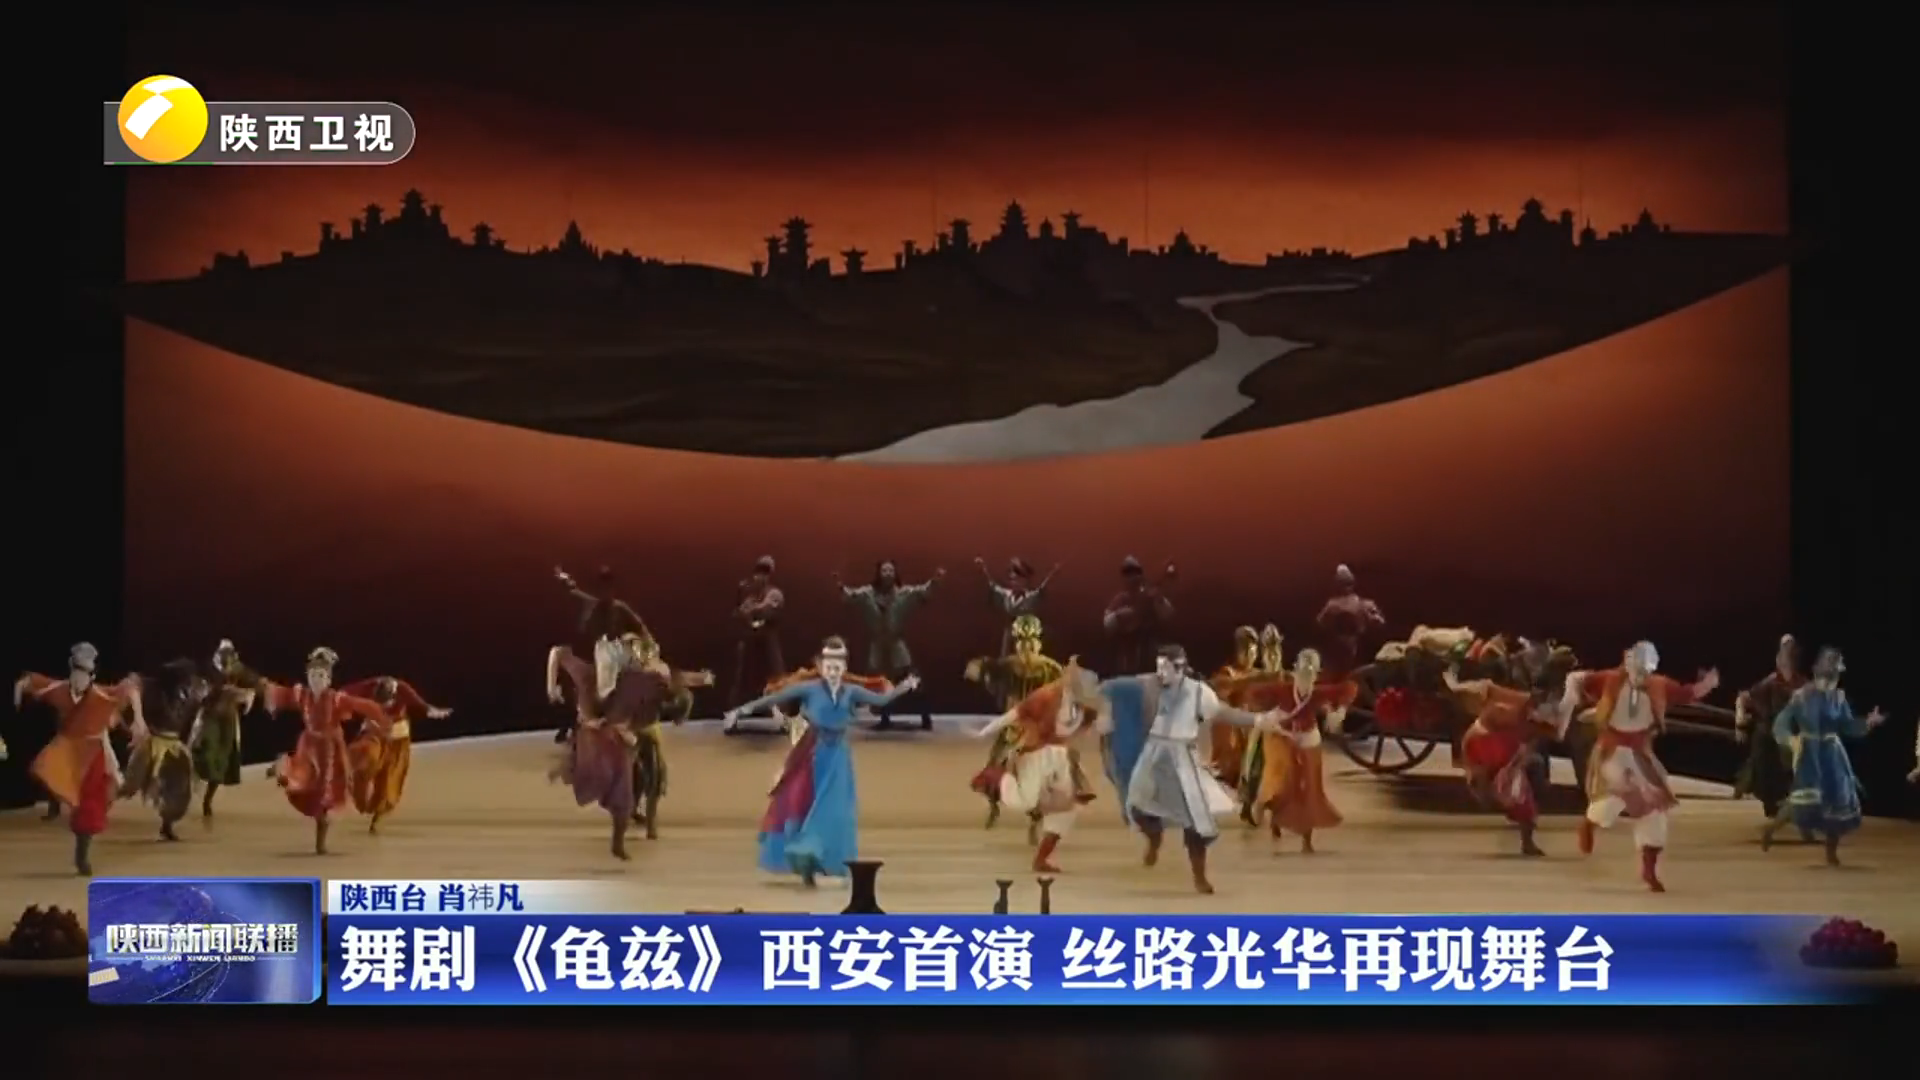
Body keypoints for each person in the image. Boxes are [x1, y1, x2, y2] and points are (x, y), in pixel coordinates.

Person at [726, 637, 918, 886]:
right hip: (814, 755)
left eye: (838, 664)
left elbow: (881, 700)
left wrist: (904, 687)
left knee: (835, 810)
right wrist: (742, 710)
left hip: (839, 758)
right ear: (821, 665)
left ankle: (825, 860)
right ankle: (806, 858)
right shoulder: (810, 689)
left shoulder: (851, 691)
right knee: (808, 805)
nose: (833, 669)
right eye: (829, 663)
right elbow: (774, 698)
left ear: (844, 665)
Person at [1096, 644, 1282, 894]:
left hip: (1182, 758)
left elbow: (1222, 712)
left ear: (1180, 668)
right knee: (1138, 808)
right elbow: (1111, 688)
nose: (1160, 673)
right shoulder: (1149, 684)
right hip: (1153, 754)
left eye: (1165, 668)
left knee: (1195, 821)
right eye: (1158, 667)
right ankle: (1154, 838)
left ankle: (1199, 876)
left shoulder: (1197, 692)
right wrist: (1105, 711)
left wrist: (1258, 720)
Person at [1561, 641, 1719, 893]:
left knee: (1655, 808)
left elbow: (1686, 693)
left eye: (1645, 670)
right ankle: (1589, 824)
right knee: (1617, 795)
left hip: (1640, 754)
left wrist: (1706, 685)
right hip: (1612, 750)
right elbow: (1579, 681)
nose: (1640, 674)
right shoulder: (1609, 679)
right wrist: (1573, 696)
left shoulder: (1659, 685)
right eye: (1636, 667)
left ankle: (1649, 869)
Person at [14, 644, 142, 875]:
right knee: (57, 781)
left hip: (93, 753)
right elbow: (30, 681)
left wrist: (139, 720)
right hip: (66, 751)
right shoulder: (60, 690)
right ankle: (61, 807)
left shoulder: (101, 694)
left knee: (90, 805)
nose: (79, 678)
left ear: (92, 676)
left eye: (84, 674)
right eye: (76, 672)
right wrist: (18, 691)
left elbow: (130, 689)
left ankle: (82, 854)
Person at [971, 659, 1106, 873]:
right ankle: (996, 777)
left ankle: (1042, 859)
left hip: (1063, 757)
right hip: (1038, 753)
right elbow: (1016, 714)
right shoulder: (1047, 695)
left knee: (1066, 807)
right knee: (1025, 800)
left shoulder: (1087, 705)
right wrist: (984, 731)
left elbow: (1097, 725)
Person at [1761, 647, 1886, 864]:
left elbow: (1847, 726)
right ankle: (1771, 829)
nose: (1832, 679)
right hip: (1810, 754)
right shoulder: (1802, 696)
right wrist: (1790, 740)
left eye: (1835, 674)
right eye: (1829, 674)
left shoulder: (1838, 698)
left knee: (1837, 800)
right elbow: (1781, 722)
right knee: (1803, 799)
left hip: (1832, 754)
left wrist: (1867, 723)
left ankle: (1831, 852)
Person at [259, 648, 389, 855]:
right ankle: (283, 769)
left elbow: (361, 705)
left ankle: (320, 842)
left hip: (329, 750)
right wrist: (265, 688)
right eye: (312, 675)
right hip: (309, 746)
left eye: (320, 676)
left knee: (324, 796)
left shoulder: (335, 698)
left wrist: (380, 718)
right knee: (303, 779)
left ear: (328, 679)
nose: (316, 680)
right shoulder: (302, 695)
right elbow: (282, 694)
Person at [1443, 642, 1566, 857]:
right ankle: (1491, 791)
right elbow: (1485, 691)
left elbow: (1549, 733)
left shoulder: (1542, 712)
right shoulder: (1508, 703)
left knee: (1524, 795)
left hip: (1506, 747)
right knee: (1514, 787)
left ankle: (1526, 838)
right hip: (1487, 742)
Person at [1242, 647, 1360, 853]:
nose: (1306, 677)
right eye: (1303, 672)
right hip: (1285, 738)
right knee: (1284, 784)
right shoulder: (1283, 690)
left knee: (1309, 789)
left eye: (1311, 673)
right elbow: (1253, 692)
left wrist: (1340, 710)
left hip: (1308, 740)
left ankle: (1306, 839)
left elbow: (1350, 687)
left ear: (1316, 675)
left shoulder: (1317, 693)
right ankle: (1273, 816)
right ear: (1295, 671)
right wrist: (1264, 716)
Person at [964, 614, 1066, 837]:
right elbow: (983, 672)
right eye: (1023, 641)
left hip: (1031, 730)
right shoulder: (1013, 665)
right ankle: (1000, 807)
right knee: (998, 768)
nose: (1027, 647)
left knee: (1034, 776)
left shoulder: (1047, 668)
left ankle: (1032, 816)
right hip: (1019, 728)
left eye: (1030, 641)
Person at [836, 560, 943, 731]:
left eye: (890, 570)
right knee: (881, 684)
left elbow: (922, 592)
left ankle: (925, 717)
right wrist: (840, 586)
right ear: (878, 574)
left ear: (895, 574)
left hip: (896, 644)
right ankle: (885, 718)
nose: (887, 573)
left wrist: (935, 580)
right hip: (878, 644)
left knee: (912, 682)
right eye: (884, 570)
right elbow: (850, 596)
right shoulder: (867, 594)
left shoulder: (903, 594)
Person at [336, 675, 451, 834]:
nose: (383, 708)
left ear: (394, 696)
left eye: (386, 704)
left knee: (389, 780)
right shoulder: (369, 686)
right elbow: (344, 693)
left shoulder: (403, 689)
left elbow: (422, 706)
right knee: (366, 758)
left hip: (397, 738)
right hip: (374, 733)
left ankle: (377, 819)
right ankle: (353, 786)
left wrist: (434, 712)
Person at [552, 565, 648, 742]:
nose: (605, 593)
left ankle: (625, 723)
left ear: (613, 589)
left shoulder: (619, 608)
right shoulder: (593, 605)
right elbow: (573, 591)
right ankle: (573, 724)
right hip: (593, 659)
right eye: (602, 589)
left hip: (614, 661)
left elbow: (641, 627)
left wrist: (647, 646)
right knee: (582, 688)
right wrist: (564, 578)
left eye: (608, 588)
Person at [122, 658, 207, 842]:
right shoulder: (155, 689)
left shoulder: (191, 693)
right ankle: (96, 807)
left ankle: (167, 824)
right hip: (154, 743)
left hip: (175, 745)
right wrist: (138, 718)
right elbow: (131, 683)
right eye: (185, 678)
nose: (188, 682)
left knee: (180, 786)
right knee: (130, 784)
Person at [1734, 634, 1806, 824]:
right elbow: (1743, 698)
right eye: (1785, 651)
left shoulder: (1802, 685)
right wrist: (1740, 721)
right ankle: (1768, 798)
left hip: (1790, 736)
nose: (1789, 656)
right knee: (1765, 756)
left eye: (1792, 651)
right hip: (1769, 733)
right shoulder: (1771, 682)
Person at [194, 639, 263, 819]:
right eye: (223, 654)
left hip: (228, 719)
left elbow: (256, 682)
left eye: (230, 655)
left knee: (222, 761)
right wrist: (237, 693)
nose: (226, 660)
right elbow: (209, 691)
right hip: (210, 717)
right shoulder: (208, 670)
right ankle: (192, 782)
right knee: (206, 752)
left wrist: (252, 692)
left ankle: (208, 800)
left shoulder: (237, 668)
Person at [727, 556, 787, 722]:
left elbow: (765, 610)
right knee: (743, 682)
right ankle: (735, 714)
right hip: (751, 645)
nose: (760, 577)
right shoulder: (750, 597)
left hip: (768, 644)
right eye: (758, 573)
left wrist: (750, 611)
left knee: (775, 681)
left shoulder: (774, 594)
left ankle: (781, 715)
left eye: (764, 573)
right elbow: (740, 614)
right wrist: (743, 608)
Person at [1207, 627, 1262, 790]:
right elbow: (1222, 688)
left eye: (1252, 651)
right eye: (1245, 650)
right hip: (1237, 733)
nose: (1249, 655)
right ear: (1237, 651)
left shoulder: (1259, 674)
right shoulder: (1228, 673)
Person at [1102, 557, 1176, 675]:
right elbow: (1107, 625)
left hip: (1150, 653)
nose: (1132, 578)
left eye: (1135, 573)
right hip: (1127, 657)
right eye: (1129, 574)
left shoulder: (1149, 595)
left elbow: (1168, 615)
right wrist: (1120, 615)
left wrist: (1159, 599)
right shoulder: (1120, 599)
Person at [974, 556, 1059, 657]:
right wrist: (983, 568)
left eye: (1017, 580)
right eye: (1012, 579)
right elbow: (992, 585)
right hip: (1009, 636)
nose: (1014, 583)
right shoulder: (1006, 595)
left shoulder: (1030, 597)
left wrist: (1053, 573)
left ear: (1025, 581)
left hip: (1026, 637)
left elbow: (1042, 588)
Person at [1314, 564, 1385, 676]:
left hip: (1349, 650)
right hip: (1348, 651)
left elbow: (1320, 623)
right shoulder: (1365, 605)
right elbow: (1380, 623)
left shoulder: (1332, 606)